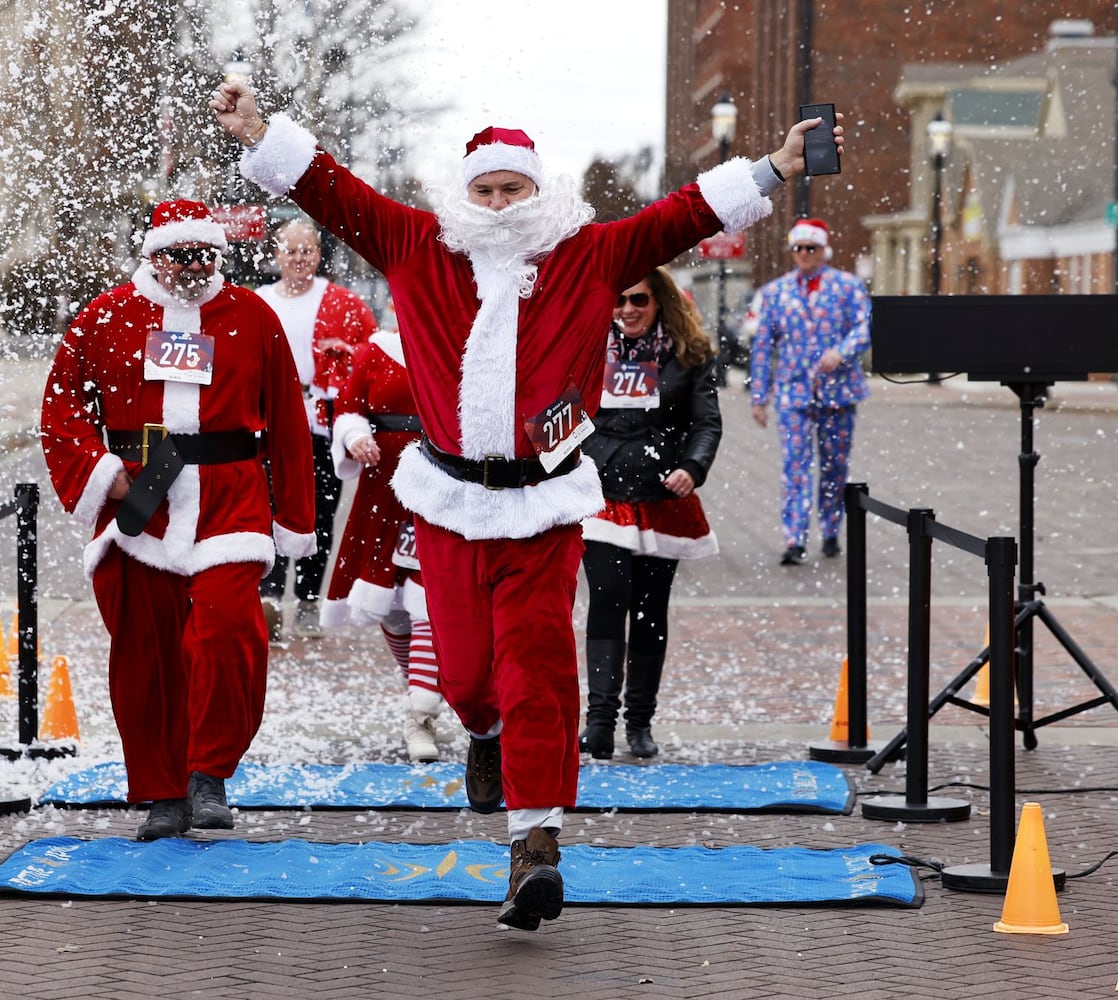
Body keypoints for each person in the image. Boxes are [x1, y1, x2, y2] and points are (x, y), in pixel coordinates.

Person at [211, 81, 841, 931]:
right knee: (469, 679)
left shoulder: (586, 253)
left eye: (515, 189)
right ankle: (482, 733)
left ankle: (534, 846)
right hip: (447, 502)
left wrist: (772, 168)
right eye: (486, 190)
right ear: (464, 194)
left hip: (544, 506)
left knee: (537, 667)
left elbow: (682, 215)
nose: (501, 204)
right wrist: (259, 134)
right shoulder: (414, 244)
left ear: (539, 193)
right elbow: (332, 189)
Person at [40, 198, 316, 841]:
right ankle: (162, 790)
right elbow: (60, 414)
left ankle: (208, 773)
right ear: (152, 255)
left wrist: (294, 517)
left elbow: (288, 423)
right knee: (147, 649)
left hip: (230, 493)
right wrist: (105, 471)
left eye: (204, 256)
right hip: (142, 495)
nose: (191, 268)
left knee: (226, 632)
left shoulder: (252, 317)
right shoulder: (105, 318)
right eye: (177, 256)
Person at [578, 268, 721, 761]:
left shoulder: (688, 354)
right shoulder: (586, 348)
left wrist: (692, 466)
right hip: (602, 497)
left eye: (638, 299)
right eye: (618, 300)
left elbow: (707, 421)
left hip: (662, 499)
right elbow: (557, 417)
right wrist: (591, 459)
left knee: (650, 611)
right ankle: (599, 721)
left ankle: (639, 723)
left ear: (660, 301)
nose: (628, 309)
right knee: (608, 595)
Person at [321, 327, 448, 762]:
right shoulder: (376, 350)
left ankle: (421, 715)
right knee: (392, 608)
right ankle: (424, 682)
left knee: (429, 601)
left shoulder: (456, 341)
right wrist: (355, 436)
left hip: (440, 484)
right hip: (383, 489)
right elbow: (349, 408)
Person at [254, 218, 378, 639]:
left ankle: (307, 601)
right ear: (277, 256)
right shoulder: (259, 301)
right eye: (290, 250)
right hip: (270, 420)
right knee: (268, 509)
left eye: (306, 250)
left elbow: (372, 352)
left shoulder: (342, 302)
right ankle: (268, 597)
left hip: (324, 422)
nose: (298, 258)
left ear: (318, 256)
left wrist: (346, 354)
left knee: (320, 514)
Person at [748, 218, 870, 566]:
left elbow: (866, 326)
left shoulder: (847, 287)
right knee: (796, 466)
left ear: (823, 250)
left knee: (834, 466)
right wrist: (759, 397)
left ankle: (831, 530)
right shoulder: (775, 293)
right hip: (793, 394)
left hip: (840, 393)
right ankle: (794, 538)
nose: (804, 254)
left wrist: (842, 351)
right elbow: (762, 346)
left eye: (811, 247)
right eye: (798, 248)